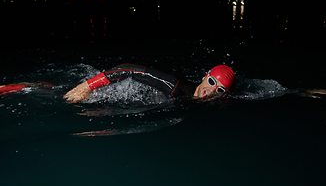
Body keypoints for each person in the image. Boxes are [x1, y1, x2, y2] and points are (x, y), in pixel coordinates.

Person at [63, 64, 236, 103]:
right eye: (211, 81)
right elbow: (127, 68)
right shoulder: (172, 86)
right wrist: (85, 87)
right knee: (60, 94)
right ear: (204, 76)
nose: (210, 91)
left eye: (219, 89)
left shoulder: (205, 99)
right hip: (112, 90)